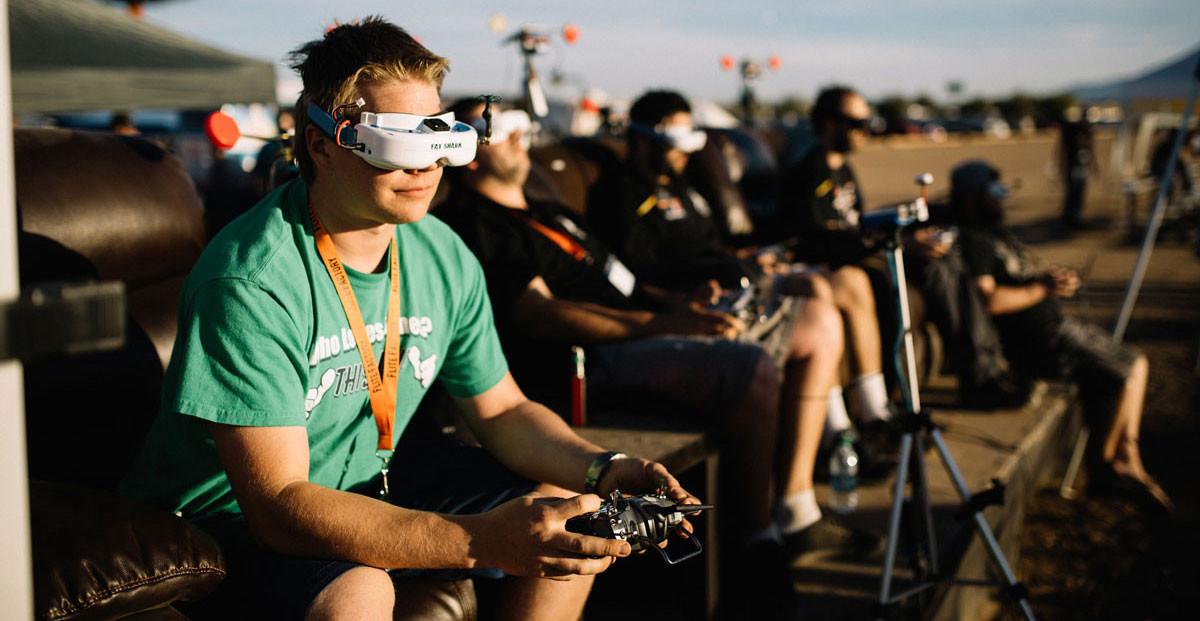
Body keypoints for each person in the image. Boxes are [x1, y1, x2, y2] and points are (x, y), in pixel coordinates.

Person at [118, 18, 695, 621]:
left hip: (365, 477)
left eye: (439, 139)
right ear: (321, 144)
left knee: (568, 511)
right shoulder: (251, 280)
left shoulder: (442, 254)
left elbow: (501, 411)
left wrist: (605, 467)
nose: (426, 168)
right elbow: (279, 504)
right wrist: (480, 540)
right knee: (359, 592)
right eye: (398, 144)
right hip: (222, 515)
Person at [439, 98, 883, 610]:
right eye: (499, 128)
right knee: (751, 367)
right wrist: (665, 323)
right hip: (596, 355)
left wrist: (682, 303)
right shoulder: (476, 225)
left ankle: (800, 501)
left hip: (649, 323)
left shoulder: (550, 210)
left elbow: (626, 282)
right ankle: (757, 543)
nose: (521, 136)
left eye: (522, 124)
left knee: (817, 317)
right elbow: (541, 314)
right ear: (468, 150)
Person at [779, 86, 1030, 414]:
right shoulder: (810, 173)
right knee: (935, 265)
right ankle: (976, 377)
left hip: (861, 255)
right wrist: (899, 243)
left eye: (868, 121)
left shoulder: (843, 170)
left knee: (946, 256)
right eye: (856, 122)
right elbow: (819, 240)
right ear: (827, 124)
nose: (865, 130)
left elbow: (857, 224)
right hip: (839, 265)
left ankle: (985, 369)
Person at [951, 160, 1172, 511]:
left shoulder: (995, 233)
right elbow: (987, 300)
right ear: (970, 198)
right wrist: (1042, 287)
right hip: (1041, 340)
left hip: (1057, 326)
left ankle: (1127, 455)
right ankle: (1105, 469)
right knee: (1125, 372)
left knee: (1137, 363)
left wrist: (1049, 282)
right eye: (994, 192)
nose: (1002, 198)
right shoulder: (973, 238)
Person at [1057, 107, 1096, 230]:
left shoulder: (1078, 132)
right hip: (1074, 167)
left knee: (1077, 192)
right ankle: (1071, 217)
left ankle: (1074, 216)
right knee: (1073, 192)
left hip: (1078, 168)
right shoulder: (1074, 134)